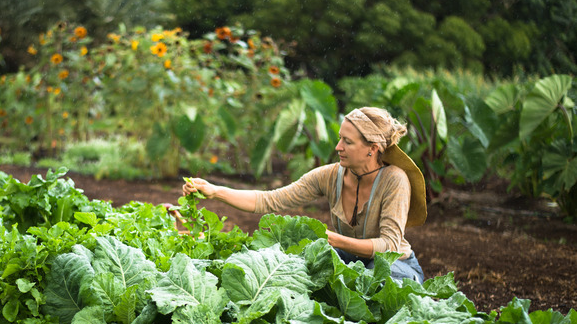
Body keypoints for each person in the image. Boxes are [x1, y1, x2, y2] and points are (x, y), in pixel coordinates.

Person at [182, 107, 427, 283]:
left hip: (395, 265)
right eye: (340, 138)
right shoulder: (330, 175)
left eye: (347, 142)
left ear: (372, 149)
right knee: (293, 268)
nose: (337, 147)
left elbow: (390, 246)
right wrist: (214, 191)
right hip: (349, 261)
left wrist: (332, 240)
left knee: (381, 283)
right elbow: (271, 200)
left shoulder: (395, 180)